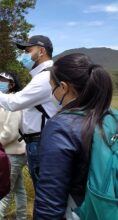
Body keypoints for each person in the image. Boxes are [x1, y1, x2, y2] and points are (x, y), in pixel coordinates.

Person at [0, 35, 58, 188]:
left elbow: (14, 103)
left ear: (41, 51)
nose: (24, 56)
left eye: (28, 51)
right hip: (37, 142)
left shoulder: (44, 78)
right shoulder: (43, 75)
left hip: (40, 142)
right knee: (38, 189)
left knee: (44, 192)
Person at [34, 53, 114, 219]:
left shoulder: (61, 127)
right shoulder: (110, 116)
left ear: (63, 87)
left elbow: (49, 202)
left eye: (52, 87)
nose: (52, 93)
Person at [0, 72, 27, 220]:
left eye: (4, 81)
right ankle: (22, 216)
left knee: (5, 189)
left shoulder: (13, 102)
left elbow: (10, 132)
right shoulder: (1, 102)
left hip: (14, 152)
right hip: (10, 151)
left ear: (12, 84)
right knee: (18, 188)